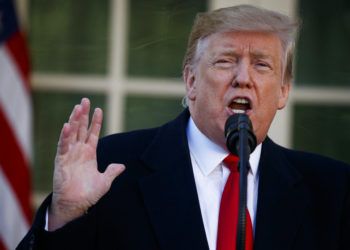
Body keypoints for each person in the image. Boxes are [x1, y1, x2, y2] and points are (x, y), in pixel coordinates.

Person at [17, 5, 350, 250]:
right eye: (226, 60)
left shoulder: (334, 190)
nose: (243, 78)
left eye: (261, 65)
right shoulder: (111, 167)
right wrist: (66, 213)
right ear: (190, 81)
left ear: (283, 91)